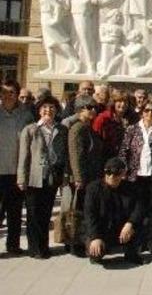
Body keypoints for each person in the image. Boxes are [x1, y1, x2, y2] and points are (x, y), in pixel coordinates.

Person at [17, 95, 67, 259]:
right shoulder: (31, 129)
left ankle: (44, 246)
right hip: (33, 177)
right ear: (39, 110)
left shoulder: (60, 129)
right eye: (45, 108)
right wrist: (21, 179)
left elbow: (63, 154)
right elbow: (24, 156)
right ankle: (34, 248)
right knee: (33, 214)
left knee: (46, 214)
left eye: (52, 108)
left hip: (51, 178)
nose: (48, 111)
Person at [118, 100, 152, 254]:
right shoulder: (132, 129)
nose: (150, 114)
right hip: (135, 177)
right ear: (142, 113)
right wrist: (123, 173)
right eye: (147, 111)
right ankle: (137, 242)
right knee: (136, 211)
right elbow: (123, 152)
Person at [83, 157, 144, 265]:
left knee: (143, 222)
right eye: (108, 174)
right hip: (102, 229)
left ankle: (131, 252)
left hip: (121, 229)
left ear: (122, 175)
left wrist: (130, 223)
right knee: (95, 254)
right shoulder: (93, 189)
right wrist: (95, 237)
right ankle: (101, 247)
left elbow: (139, 208)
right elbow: (89, 215)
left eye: (116, 175)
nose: (111, 177)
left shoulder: (130, 188)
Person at [0, 79, 34, 255]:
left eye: (11, 92)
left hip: (16, 171)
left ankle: (13, 245)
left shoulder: (25, 115)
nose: (8, 96)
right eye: (4, 92)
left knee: (14, 211)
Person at [67, 95, 103, 256]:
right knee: (79, 211)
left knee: (86, 210)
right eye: (90, 107)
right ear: (80, 109)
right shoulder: (78, 128)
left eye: (95, 107)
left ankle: (81, 241)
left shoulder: (88, 127)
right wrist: (78, 178)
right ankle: (76, 244)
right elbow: (76, 154)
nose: (94, 110)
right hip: (83, 178)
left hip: (91, 176)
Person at [92, 90, 132, 159]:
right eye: (119, 101)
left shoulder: (128, 119)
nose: (123, 104)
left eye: (125, 102)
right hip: (103, 158)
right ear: (113, 103)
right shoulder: (103, 118)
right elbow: (95, 139)